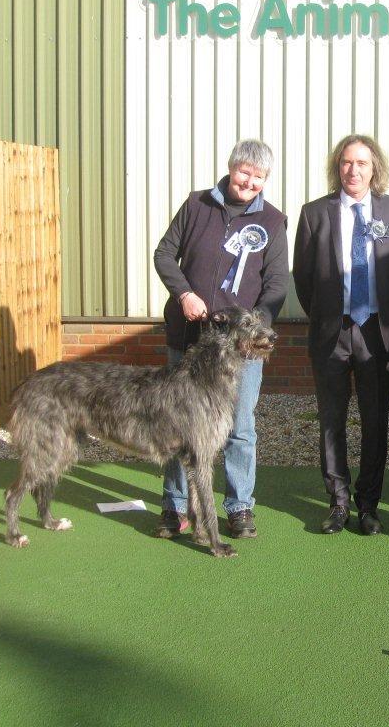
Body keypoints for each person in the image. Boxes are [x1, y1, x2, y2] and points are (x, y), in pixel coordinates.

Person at [152, 139, 289, 540]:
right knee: (181, 426)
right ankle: (174, 507)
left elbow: (277, 282)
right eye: (244, 171)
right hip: (189, 335)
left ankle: (239, 506)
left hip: (238, 348)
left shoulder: (273, 221)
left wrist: (254, 326)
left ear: (265, 181)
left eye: (258, 176)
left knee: (239, 427)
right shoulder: (196, 205)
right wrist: (184, 293)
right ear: (231, 168)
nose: (249, 181)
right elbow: (164, 254)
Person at [293, 134, 389, 535]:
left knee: (375, 421)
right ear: (337, 167)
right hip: (332, 330)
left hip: (377, 333)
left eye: (362, 163)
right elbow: (305, 279)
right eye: (346, 162)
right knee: (332, 420)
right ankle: (338, 502)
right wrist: (331, 316)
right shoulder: (314, 213)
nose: (353, 170)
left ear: (374, 168)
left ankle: (369, 504)